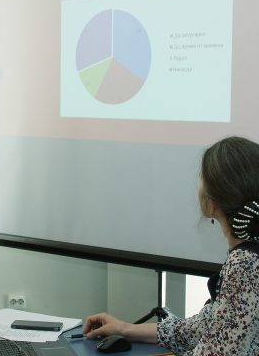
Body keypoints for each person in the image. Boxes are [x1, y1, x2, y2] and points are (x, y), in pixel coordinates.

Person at [83, 136, 259, 355]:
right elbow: (200, 328)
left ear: (212, 204)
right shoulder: (249, 257)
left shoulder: (245, 265)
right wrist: (124, 329)